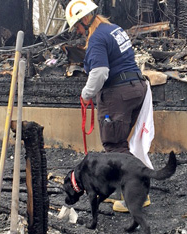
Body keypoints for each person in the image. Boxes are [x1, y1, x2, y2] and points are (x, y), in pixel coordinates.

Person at [65, 0, 152, 212]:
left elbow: (100, 72)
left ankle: (138, 195)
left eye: (77, 25)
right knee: (121, 143)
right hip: (136, 87)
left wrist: (86, 94)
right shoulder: (114, 30)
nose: (77, 30)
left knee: (114, 146)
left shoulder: (96, 39)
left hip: (118, 93)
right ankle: (125, 189)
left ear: (85, 19)